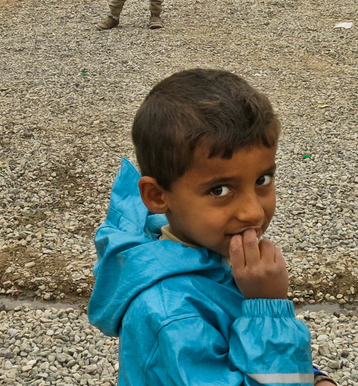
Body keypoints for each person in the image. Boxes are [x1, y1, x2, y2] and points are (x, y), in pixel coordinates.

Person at [88, 69, 336, 386]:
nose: (253, 212)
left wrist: (314, 378)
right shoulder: (172, 314)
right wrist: (268, 310)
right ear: (157, 196)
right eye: (219, 190)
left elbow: (240, 353)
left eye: (262, 180)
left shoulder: (202, 242)